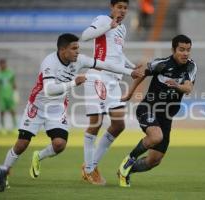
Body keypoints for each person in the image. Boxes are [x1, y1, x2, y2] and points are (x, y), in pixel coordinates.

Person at [1, 33, 143, 186]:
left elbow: (104, 64)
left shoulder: (79, 60)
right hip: (37, 106)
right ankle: (3, 171)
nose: (77, 51)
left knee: (59, 144)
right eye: (74, 48)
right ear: (63, 50)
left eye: (78, 48)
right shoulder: (49, 62)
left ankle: (39, 156)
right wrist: (73, 83)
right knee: (22, 143)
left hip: (57, 109)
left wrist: (130, 72)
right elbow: (49, 90)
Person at [117, 35, 198, 187]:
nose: (185, 53)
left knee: (154, 161)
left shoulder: (191, 66)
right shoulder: (162, 64)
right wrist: (130, 93)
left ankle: (125, 171)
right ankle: (128, 161)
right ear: (174, 50)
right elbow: (142, 73)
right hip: (148, 108)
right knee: (155, 136)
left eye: (188, 50)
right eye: (181, 50)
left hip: (166, 116)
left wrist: (177, 85)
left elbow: (188, 88)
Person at [80, 0, 141, 185]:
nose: (122, 11)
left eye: (125, 8)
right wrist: (108, 25)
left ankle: (89, 165)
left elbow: (118, 54)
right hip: (98, 77)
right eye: (119, 7)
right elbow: (85, 36)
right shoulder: (102, 20)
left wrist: (132, 66)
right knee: (95, 124)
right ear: (111, 8)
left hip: (114, 81)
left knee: (118, 125)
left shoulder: (122, 29)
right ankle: (90, 170)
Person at [0, 59, 18, 135]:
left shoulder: (10, 73)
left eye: (4, 64)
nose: (3, 65)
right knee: (2, 111)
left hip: (10, 95)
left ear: (6, 64)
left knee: (12, 111)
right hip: (1, 96)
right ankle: (3, 127)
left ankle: (15, 127)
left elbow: (14, 84)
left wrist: (16, 94)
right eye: (1, 64)